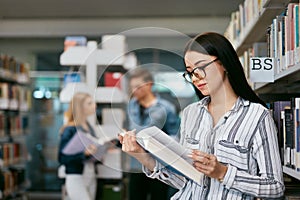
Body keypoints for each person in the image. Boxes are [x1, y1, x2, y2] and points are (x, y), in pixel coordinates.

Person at [119, 32, 285, 199]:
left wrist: (223, 172)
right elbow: (185, 181)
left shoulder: (257, 116)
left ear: (224, 63)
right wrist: (142, 155)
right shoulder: (191, 113)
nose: (195, 77)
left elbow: (275, 187)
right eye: (190, 72)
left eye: (201, 67)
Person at [125, 68, 181, 200]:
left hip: (158, 165)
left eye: (137, 86)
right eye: (132, 87)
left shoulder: (166, 108)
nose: (134, 90)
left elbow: (175, 136)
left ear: (149, 84)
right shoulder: (130, 106)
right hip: (136, 165)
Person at [58, 92, 98, 200]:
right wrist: (83, 154)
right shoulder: (69, 129)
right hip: (75, 176)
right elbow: (62, 158)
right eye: (89, 103)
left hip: (90, 174)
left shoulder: (89, 127)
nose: (95, 105)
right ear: (80, 107)